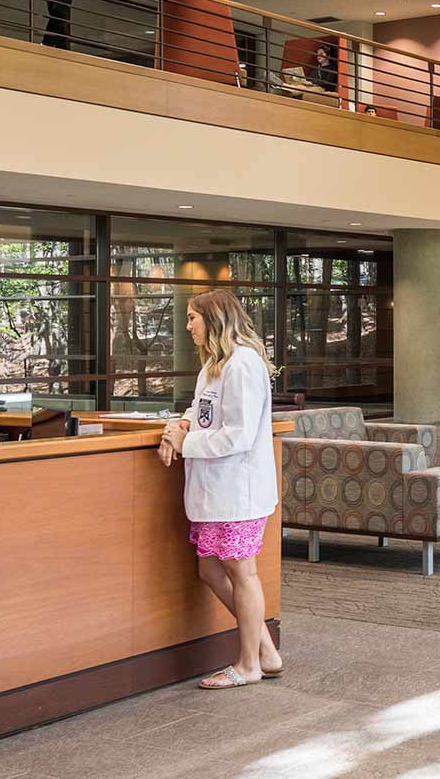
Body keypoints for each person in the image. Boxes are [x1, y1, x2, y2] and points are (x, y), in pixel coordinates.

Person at [157, 289, 282, 689]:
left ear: (215, 319)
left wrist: (185, 444)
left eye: (193, 317)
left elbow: (239, 435)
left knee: (241, 572)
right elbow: (201, 410)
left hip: (239, 490)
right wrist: (178, 426)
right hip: (215, 490)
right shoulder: (213, 364)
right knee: (210, 568)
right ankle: (264, 647)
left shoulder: (243, 364)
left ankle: (249, 664)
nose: (188, 325)